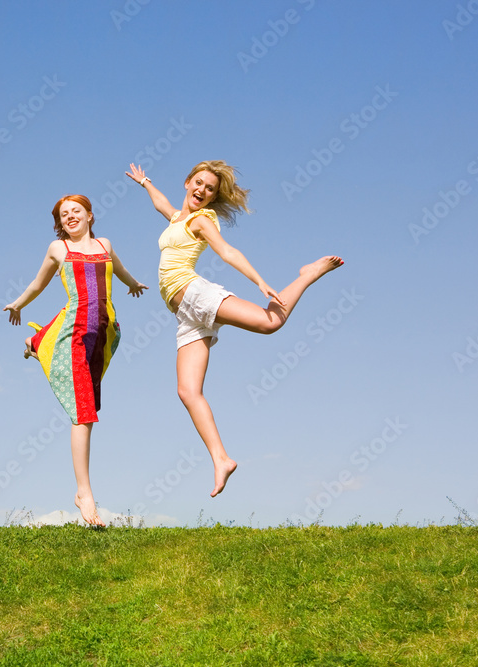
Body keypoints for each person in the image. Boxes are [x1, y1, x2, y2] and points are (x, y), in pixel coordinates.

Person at [126, 160, 343, 498]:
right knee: (187, 391)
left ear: (213, 198)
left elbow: (227, 251)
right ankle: (221, 459)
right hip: (186, 314)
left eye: (210, 189)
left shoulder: (201, 220)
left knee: (270, 321)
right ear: (187, 183)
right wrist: (145, 182)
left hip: (196, 295)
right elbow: (163, 204)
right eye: (198, 183)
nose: (202, 190)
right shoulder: (177, 218)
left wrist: (260, 281)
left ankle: (308, 274)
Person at [5, 194, 147, 527]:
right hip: (74, 334)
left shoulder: (105, 245)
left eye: (76, 211)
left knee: (88, 408)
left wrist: (133, 283)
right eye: (63, 214)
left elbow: (121, 271)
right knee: (83, 413)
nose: (70, 217)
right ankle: (84, 493)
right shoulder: (59, 250)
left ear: (89, 216)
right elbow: (38, 283)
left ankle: (36, 341)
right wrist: (17, 303)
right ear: (60, 222)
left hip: (103, 332)